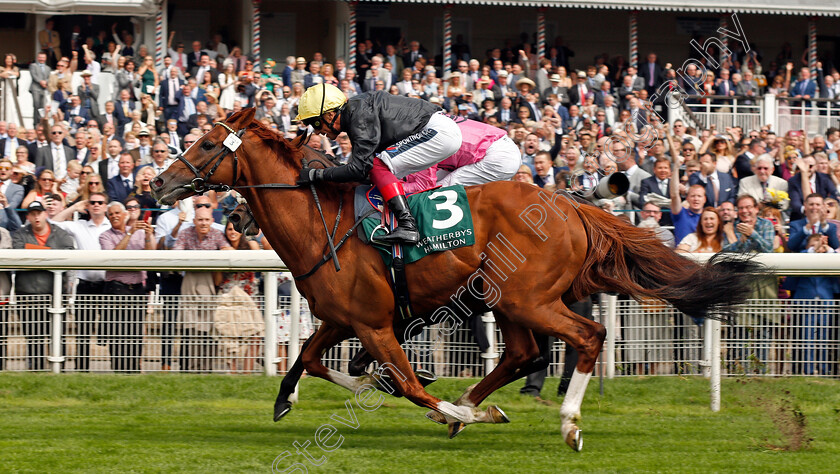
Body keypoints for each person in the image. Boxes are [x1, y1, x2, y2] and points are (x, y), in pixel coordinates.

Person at [295, 83, 462, 244]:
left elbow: (359, 169)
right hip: (439, 131)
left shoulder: (358, 116)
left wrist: (315, 174)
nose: (316, 131)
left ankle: (408, 225)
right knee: (377, 175)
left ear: (330, 115)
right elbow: (362, 172)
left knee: (377, 166)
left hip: (438, 132)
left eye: (315, 123)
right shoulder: (357, 111)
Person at [12, 201, 75, 370]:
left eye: (39, 213)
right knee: (34, 337)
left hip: (55, 295)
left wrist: (34, 253)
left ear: (45, 214)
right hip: (28, 295)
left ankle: (59, 371)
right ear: (28, 216)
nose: (36, 216)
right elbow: (18, 253)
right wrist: (51, 254)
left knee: (57, 336)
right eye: (32, 213)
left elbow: (70, 254)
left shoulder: (60, 233)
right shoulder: (19, 234)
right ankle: (36, 371)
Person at [53, 192, 111, 371]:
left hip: (107, 286)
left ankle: (118, 369)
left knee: (110, 330)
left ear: (106, 206)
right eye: (92, 202)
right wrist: (74, 207)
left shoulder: (112, 226)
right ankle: (82, 369)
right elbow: (53, 223)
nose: (96, 205)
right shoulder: (80, 225)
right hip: (85, 285)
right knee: (83, 331)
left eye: (100, 202)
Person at [173, 206, 233, 372]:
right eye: (200, 220)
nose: (203, 223)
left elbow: (229, 250)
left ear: (212, 221)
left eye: (206, 219)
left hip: (209, 282)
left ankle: (207, 369)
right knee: (192, 330)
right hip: (190, 281)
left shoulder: (216, 234)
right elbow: (175, 253)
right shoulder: (186, 233)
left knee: (210, 329)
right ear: (194, 221)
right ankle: (193, 369)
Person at [99, 201, 155, 372]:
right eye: (111, 214)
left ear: (125, 215)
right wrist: (130, 232)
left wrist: (147, 234)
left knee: (136, 334)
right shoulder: (105, 236)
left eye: (117, 213)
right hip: (116, 289)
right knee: (117, 333)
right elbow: (113, 258)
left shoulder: (139, 233)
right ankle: (118, 371)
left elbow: (152, 254)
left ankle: (134, 371)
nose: (114, 216)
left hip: (137, 288)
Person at [402, 118, 520, 193]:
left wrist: (387, 188)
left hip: (497, 156)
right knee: (440, 182)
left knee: (436, 192)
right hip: (500, 148)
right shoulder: (427, 119)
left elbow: (424, 186)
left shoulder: (422, 138)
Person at [215, 221, 262, 373]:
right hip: (229, 298)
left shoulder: (252, 245)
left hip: (249, 296)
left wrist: (232, 254)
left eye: (235, 229)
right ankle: (233, 371)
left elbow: (257, 267)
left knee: (256, 334)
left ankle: (247, 372)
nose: (232, 232)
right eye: (229, 229)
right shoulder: (221, 249)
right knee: (230, 334)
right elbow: (217, 280)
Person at [0, 159, 24, 231]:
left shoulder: (18, 189)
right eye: (0, 168)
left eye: (7, 169)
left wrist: (5, 203)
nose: (3, 170)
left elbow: (12, 206)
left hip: (6, 224)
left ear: (11, 172)